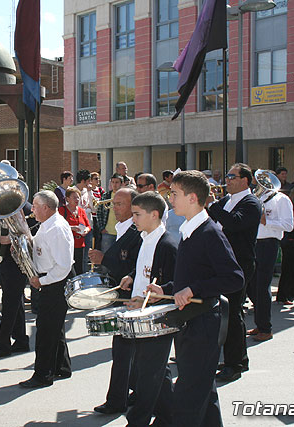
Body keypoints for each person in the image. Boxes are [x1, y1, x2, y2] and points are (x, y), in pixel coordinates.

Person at [145, 170, 243, 427]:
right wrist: (166, 289)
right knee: (203, 394)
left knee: (188, 398)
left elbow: (234, 278)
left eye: (174, 194)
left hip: (203, 326)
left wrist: (194, 290)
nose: (170, 199)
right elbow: (190, 278)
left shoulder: (210, 233)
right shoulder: (190, 230)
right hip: (192, 323)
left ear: (192, 198)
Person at [117, 191, 177, 427]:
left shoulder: (168, 245)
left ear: (154, 215)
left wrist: (152, 296)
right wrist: (131, 277)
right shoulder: (146, 238)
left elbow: (174, 283)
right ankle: (169, 418)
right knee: (155, 373)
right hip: (143, 313)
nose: (133, 219)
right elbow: (146, 270)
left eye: (137, 214)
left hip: (159, 318)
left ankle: (137, 422)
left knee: (146, 375)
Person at [88, 188, 143, 415]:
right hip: (121, 296)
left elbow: (133, 269)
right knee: (125, 352)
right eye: (114, 203)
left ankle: (118, 400)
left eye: (120, 204)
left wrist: (105, 259)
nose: (114, 208)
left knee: (123, 351)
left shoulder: (137, 232)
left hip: (130, 299)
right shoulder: (122, 228)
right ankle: (133, 394)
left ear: (133, 207)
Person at [207, 163, 262, 383]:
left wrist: (213, 205)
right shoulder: (228, 201)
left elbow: (235, 223)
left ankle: (235, 363)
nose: (227, 180)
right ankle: (236, 358)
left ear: (245, 181)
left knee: (233, 313)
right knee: (227, 313)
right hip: (224, 264)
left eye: (232, 176)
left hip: (240, 264)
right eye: (227, 176)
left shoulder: (251, 203)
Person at [19, 190, 74, 388]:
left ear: (46, 207)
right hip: (50, 280)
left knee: (45, 331)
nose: (31, 209)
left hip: (55, 282)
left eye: (34, 205)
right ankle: (62, 367)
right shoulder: (47, 225)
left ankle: (43, 375)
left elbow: (63, 266)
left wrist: (42, 281)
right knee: (54, 328)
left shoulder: (56, 228)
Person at [0, 202, 35, 358]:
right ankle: (21, 340)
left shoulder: (25, 207)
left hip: (17, 260)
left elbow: (32, 232)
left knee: (9, 302)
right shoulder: (1, 207)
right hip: (5, 259)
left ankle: (3, 344)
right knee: (16, 301)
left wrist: (12, 239)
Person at [248, 176, 294, 342]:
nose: (260, 186)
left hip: (269, 243)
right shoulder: (259, 198)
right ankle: (259, 324)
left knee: (262, 285)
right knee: (252, 284)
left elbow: (288, 225)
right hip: (254, 242)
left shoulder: (282, 199)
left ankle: (265, 328)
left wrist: (266, 221)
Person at [59, 188, 90, 275]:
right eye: (74, 197)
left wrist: (86, 230)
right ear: (67, 199)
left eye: (78, 197)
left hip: (80, 243)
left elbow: (88, 225)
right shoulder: (62, 210)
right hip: (67, 244)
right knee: (68, 268)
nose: (77, 200)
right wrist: (71, 228)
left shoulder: (81, 211)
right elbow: (58, 226)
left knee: (79, 268)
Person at [75, 169, 94, 272]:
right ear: (83, 181)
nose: (89, 183)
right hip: (77, 228)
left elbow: (94, 207)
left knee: (87, 255)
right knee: (77, 256)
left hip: (88, 226)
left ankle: (85, 274)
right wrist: (86, 210)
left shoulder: (88, 192)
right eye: (88, 181)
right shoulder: (72, 191)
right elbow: (76, 210)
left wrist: (90, 192)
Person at [98, 173, 123, 252]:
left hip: (121, 232)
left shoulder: (125, 196)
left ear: (121, 184)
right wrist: (102, 228)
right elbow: (99, 212)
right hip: (107, 232)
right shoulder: (106, 196)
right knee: (105, 257)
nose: (114, 184)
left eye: (117, 182)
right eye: (113, 182)